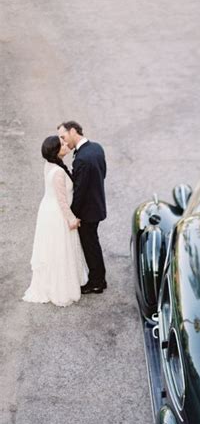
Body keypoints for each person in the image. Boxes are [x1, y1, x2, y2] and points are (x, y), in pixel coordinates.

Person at [23, 136, 88, 307]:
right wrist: (72, 219)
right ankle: (59, 288)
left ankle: (51, 282)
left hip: (48, 210)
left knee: (52, 248)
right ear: (56, 152)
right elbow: (62, 201)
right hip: (57, 213)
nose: (66, 144)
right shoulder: (58, 172)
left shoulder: (52, 165)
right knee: (59, 248)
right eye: (62, 145)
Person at [57, 121, 107, 294]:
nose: (63, 142)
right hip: (97, 205)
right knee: (93, 243)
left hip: (88, 211)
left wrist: (73, 215)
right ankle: (100, 278)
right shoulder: (97, 148)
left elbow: (79, 191)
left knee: (90, 245)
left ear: (73, 131)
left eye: (63, 137)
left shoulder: (82, 159)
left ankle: (96, 282)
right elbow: (103, 173)